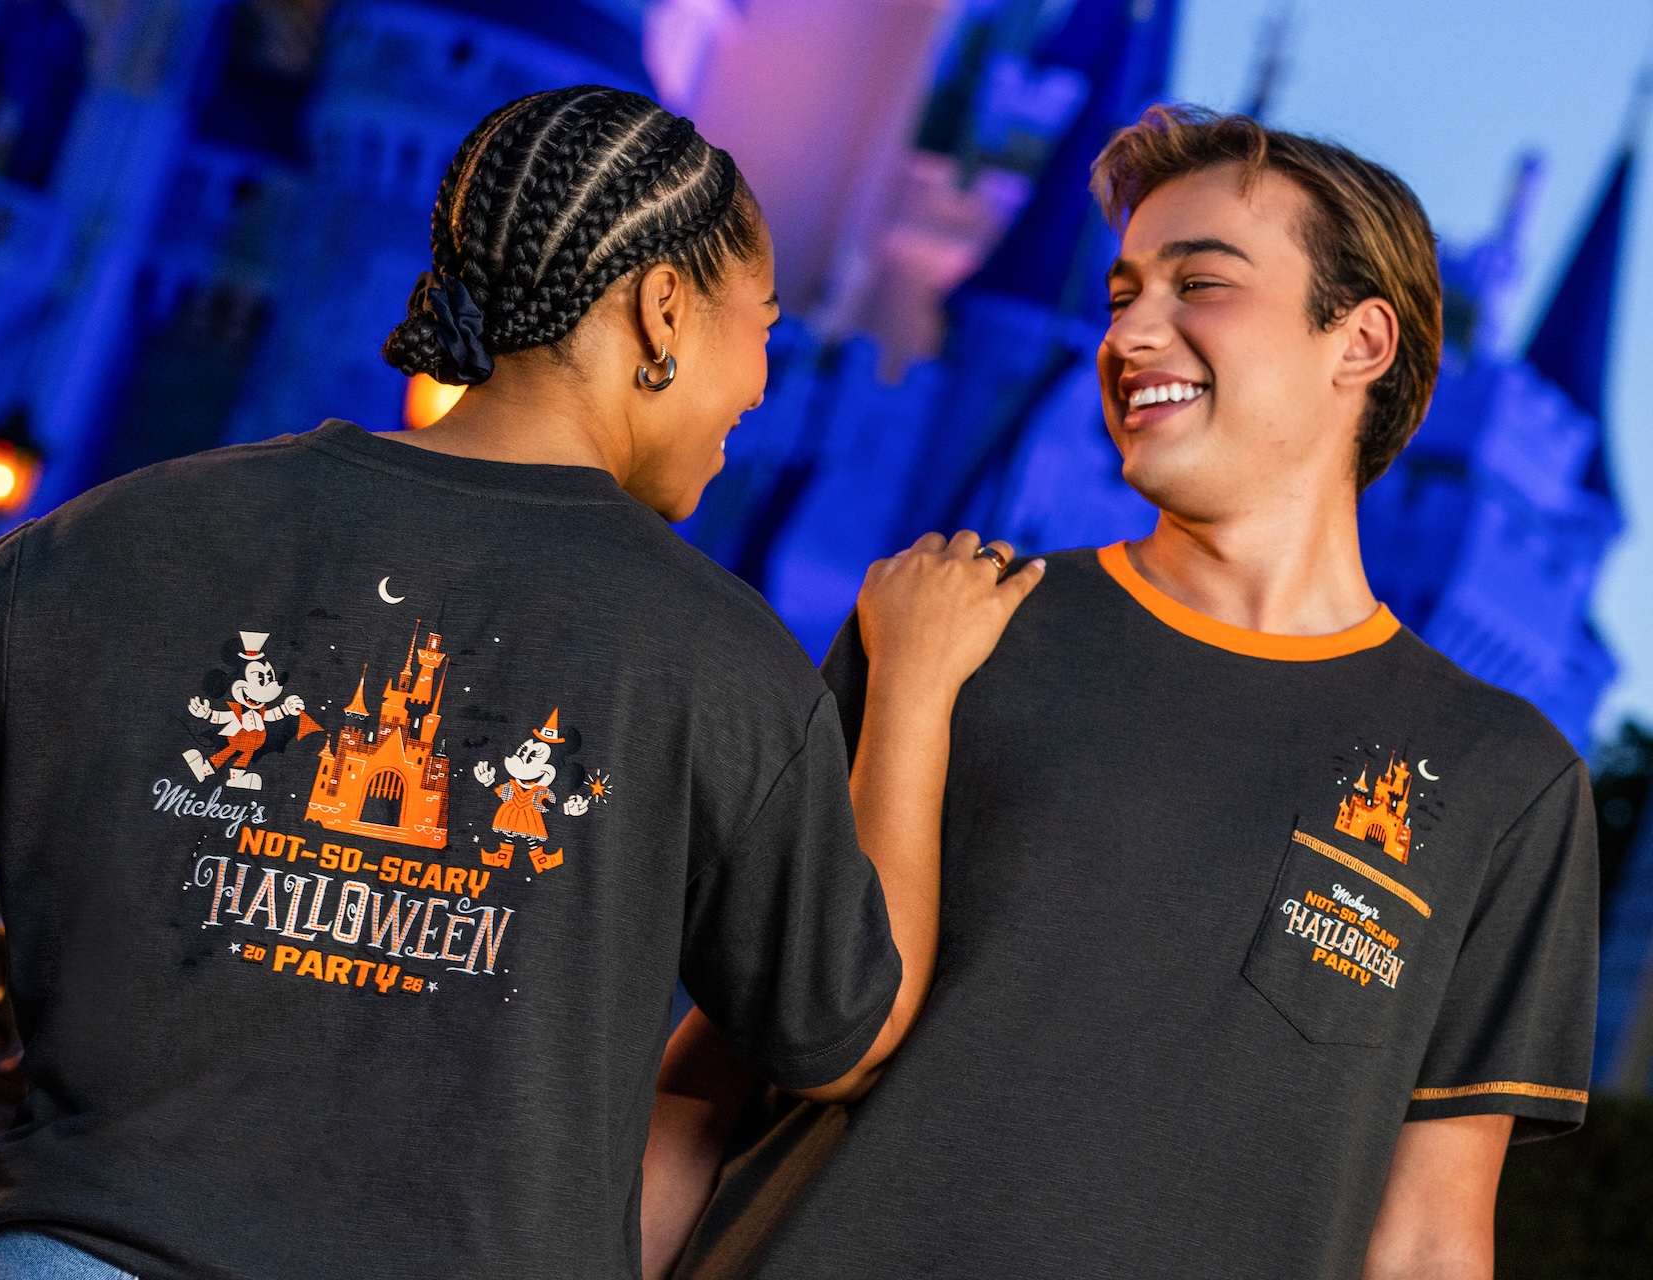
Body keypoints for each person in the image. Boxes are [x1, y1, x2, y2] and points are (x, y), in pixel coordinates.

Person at [0, 86, 1043, 1280]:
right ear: (662, 311)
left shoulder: (144, 529)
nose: (760, 386)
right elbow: (841, 1026)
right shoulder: (718, 657)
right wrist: (913, 687)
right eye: (764, 329)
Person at [642, 105, 1599, 1280]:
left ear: (1359, 342)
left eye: (1201, 284)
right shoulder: (948, 623)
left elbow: (1429, 1239)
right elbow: (711, 1080)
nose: (1131, 332)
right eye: (1121, 294)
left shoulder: (1504, 779)